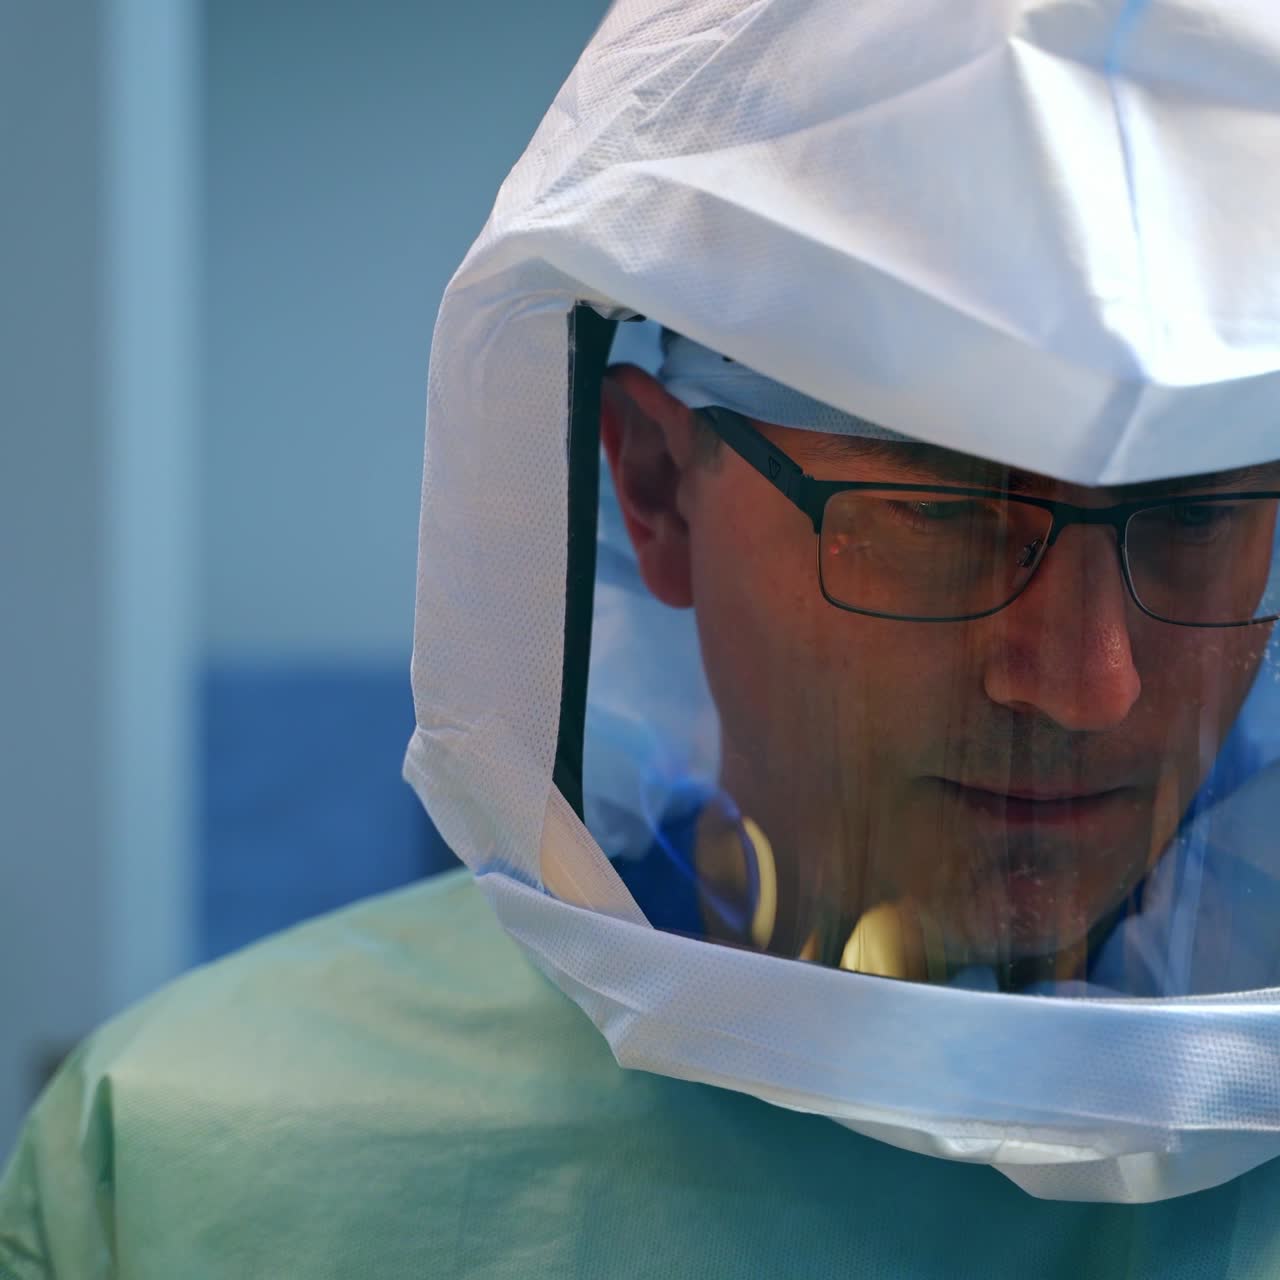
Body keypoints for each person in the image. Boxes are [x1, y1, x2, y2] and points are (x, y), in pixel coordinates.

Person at [6, 1, 1280, 1274]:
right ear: (657, 487)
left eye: (1202, 520)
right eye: (938, 516)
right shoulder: (193, 1168)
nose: (1087, 685)